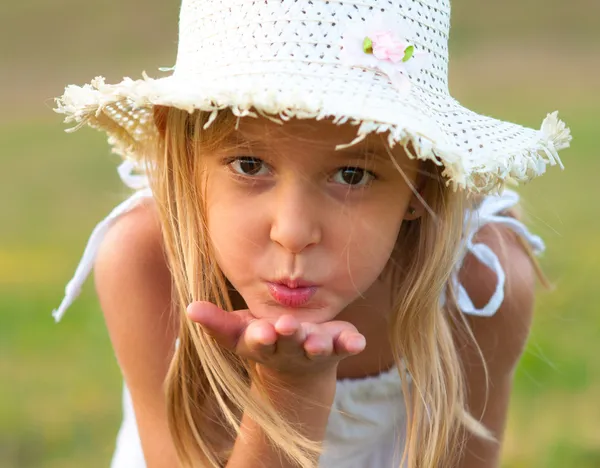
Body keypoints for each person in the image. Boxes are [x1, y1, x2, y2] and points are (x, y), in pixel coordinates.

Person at [52, 0, 571, 467]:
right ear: (185, 155)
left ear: (423, 181)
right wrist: (288, 392)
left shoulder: (477, 287)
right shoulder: (147, 259)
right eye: (250, 164)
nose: (293, 233)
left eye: (352, 175)